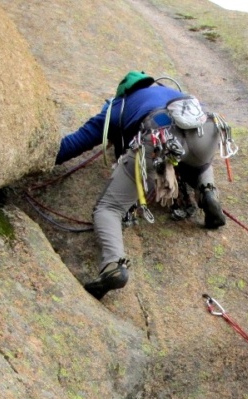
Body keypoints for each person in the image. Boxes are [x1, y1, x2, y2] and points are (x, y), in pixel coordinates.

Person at [56, 71, 227, 299]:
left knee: (110, 208)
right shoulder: (170, 91)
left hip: (159, 133)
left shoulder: (117, 107)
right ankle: (207, 191)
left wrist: (39, 157)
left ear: (123, 92)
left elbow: (75, 143)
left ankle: (113, 266)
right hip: (206, 131)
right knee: (197, 161)